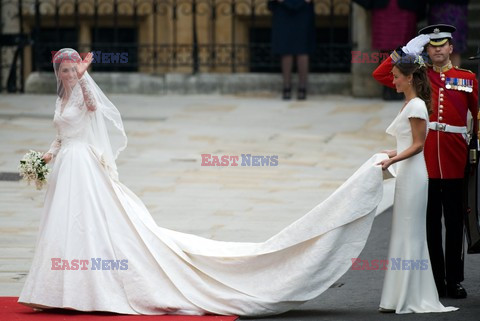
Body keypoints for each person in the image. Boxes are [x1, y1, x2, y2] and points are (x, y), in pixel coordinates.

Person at [18, 48, 392, 315]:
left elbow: (96, 109)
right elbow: (61, 136)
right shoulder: (60, 100)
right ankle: (56, 287)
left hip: (85, 168)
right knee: (63, 224)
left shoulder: (82, 93)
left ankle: (87, 286)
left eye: (69, 70)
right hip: (67, 164)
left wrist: (84, 79)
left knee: (90, 221)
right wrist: (45, 157)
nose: (66, 75)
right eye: (62, 71)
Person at [372, 35, 457, 314]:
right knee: (402, 232)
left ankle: (411, 293)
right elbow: (409, 142)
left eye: (397, 76)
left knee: (411, 233)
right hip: (407, 173)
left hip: (414, 174)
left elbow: (419, 145)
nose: (392, 80)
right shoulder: (410, 104)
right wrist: (392, 154)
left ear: (409, 78)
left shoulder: (418, 105)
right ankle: (398, 295)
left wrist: (391, 161)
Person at [418, 24, 478, 299]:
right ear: (427, 50)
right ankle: (436, 278)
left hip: (455, 158)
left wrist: (476, 146)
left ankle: (453, 279)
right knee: (430, 223)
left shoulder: (466, 78)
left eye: (443, 44)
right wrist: (406, 51)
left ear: (451, 48)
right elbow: (382, 74)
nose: (438, 49)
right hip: (426, 160)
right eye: (433, 45)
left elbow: (478, 115)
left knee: (454, 223)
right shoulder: (419, 76)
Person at [268, 0, 315, 100]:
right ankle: (286, 87)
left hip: (303, 9)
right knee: (286, 47)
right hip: (282, 9)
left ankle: (302, 87)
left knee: (302, 48)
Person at [427, 0, 470, 67]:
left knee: (455, 47)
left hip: (456, 7)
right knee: (437, 45)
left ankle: (454, 75)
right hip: (438, 8)